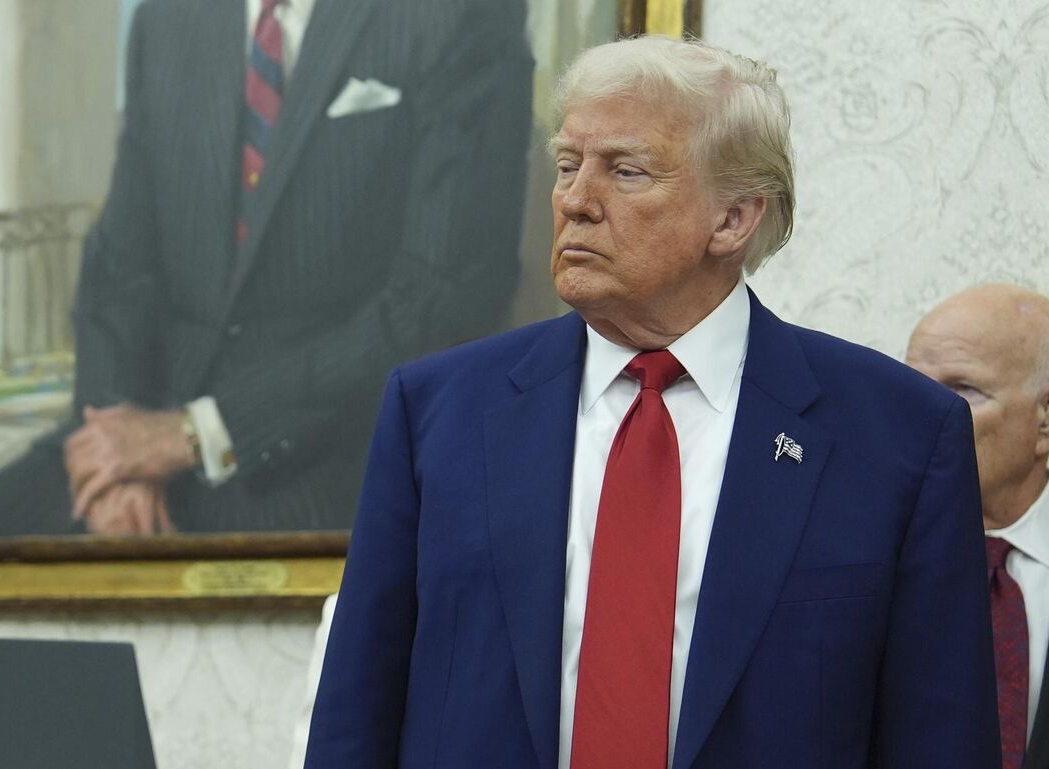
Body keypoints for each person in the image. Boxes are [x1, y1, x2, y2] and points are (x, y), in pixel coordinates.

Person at [304, 37, 997, 768]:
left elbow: (942, 738)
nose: (574, 200)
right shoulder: (435, 412)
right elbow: (356, 715)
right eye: (568, 165)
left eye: (624, 171)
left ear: (732, 219)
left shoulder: (900, 439)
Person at [0, 0, 534, 536]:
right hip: (146, 429)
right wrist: (115, 449)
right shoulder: (170, 20)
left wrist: (198, 433)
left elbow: (444, 297)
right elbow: (119, 270)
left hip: (326, 448)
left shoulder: (461, 14)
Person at [907, 283, 1049, 769]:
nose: (924, 414)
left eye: (962, 390)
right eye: (912, 389)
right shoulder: (850, 554)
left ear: (1045, 419)